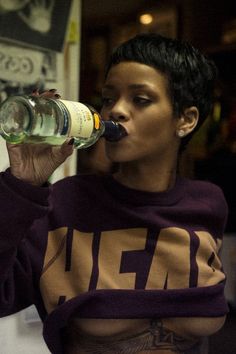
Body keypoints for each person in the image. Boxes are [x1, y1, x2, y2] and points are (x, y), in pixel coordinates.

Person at [0, 33, 228, 354]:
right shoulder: (64, 204)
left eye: (140, 99)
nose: (115, 111)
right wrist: (20, 185)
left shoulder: (208, 202)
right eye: (108, 98)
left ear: (186, 120)